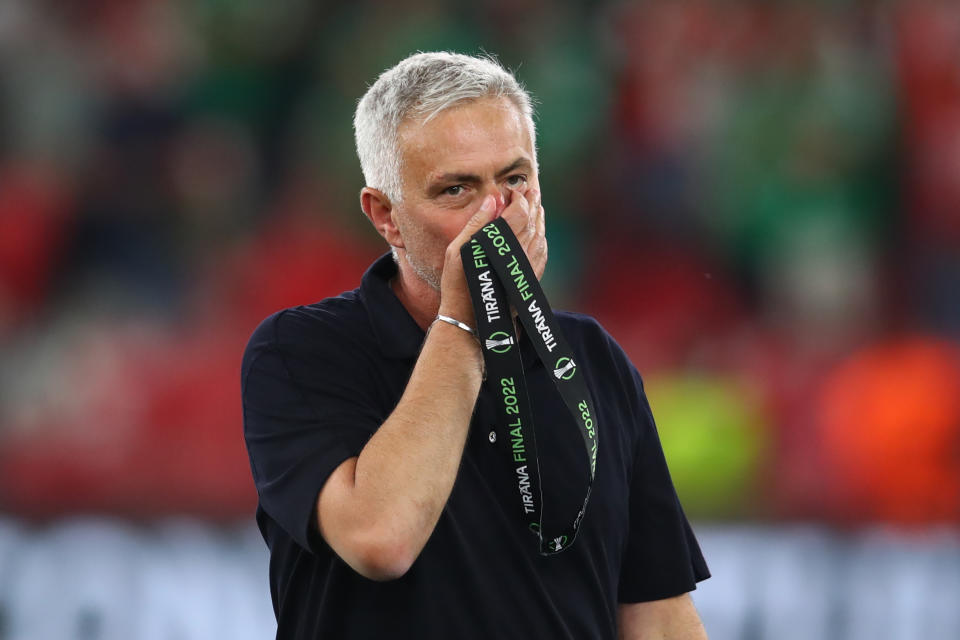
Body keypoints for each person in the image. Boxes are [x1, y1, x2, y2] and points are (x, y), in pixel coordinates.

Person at [241, 51, 710, 639]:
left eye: (515, 179)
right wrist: (469, 321)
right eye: (457, 190)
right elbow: (381, 539)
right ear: (385, 215)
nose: (497, 215)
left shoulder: (591, 360)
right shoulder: (300, 351)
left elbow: (659, 617)